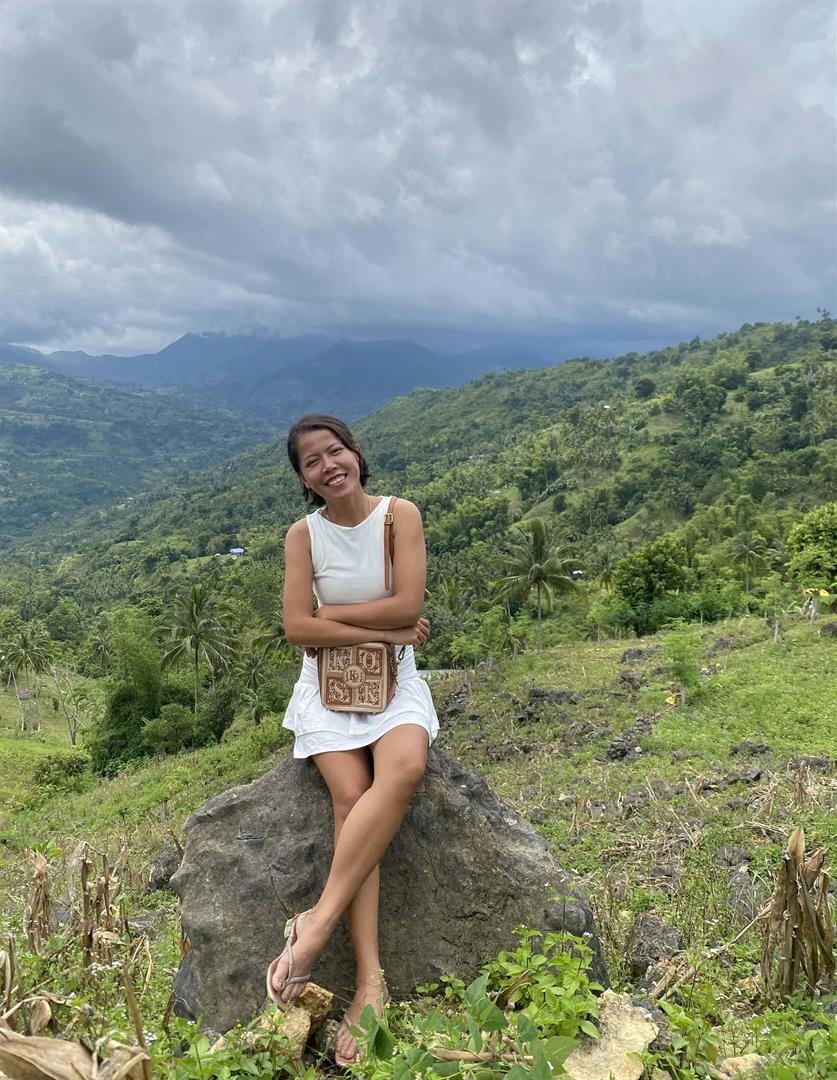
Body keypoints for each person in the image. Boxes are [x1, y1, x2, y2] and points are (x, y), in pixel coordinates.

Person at [266, 413, 439, 1066]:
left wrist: (333, 614)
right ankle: (370, 981)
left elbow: (408, 604)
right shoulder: (302, 535)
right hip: (327, 684)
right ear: (304, 479)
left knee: (404, 769)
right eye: (311, 461)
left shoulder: (399, 516)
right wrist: (386, 630)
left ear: (356, 454)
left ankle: (314, 926)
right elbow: (295, 628)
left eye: (334, 451)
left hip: (394, 681)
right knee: (351, 794)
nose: (327, 465)